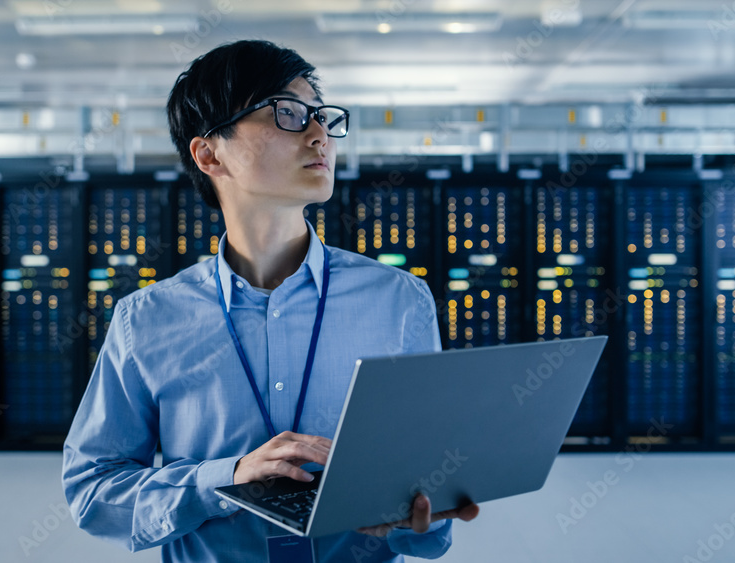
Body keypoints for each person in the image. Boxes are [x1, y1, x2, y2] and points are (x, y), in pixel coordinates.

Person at [62, 39, 479, 562]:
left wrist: (421, 518)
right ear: (209, 152)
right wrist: (226, 479)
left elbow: (425, 488)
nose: (319, 134)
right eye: (288, 113)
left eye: (322, 117)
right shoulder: (146, 320)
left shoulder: (399, 301)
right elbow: (93, 489)